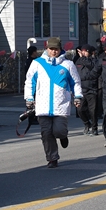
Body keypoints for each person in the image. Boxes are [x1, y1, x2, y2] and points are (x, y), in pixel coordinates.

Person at [24, 37, 82, 168]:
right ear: (47, 49)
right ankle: (52, 158)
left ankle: (63, 136)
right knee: (46, 133)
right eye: (51, 49)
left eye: (56, 49)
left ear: (60, 49)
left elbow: (75, 82)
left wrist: (77, 96)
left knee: (59, 131)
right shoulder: (37, 63)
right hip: (42, 105)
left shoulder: (68, 64)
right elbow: (29, 82)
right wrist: (29, 98)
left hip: (61, 104)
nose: (54, 51)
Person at [75, 44, 99, 135]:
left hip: (91, 89)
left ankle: (94, 127)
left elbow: (91, 66)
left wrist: (83, 58)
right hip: (81, 89)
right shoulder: (78, 61)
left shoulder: (94, 61)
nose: (84, 53)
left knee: (93, 110)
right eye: (83, 51)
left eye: (86, 51)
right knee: (80, 110)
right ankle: (87, 124)